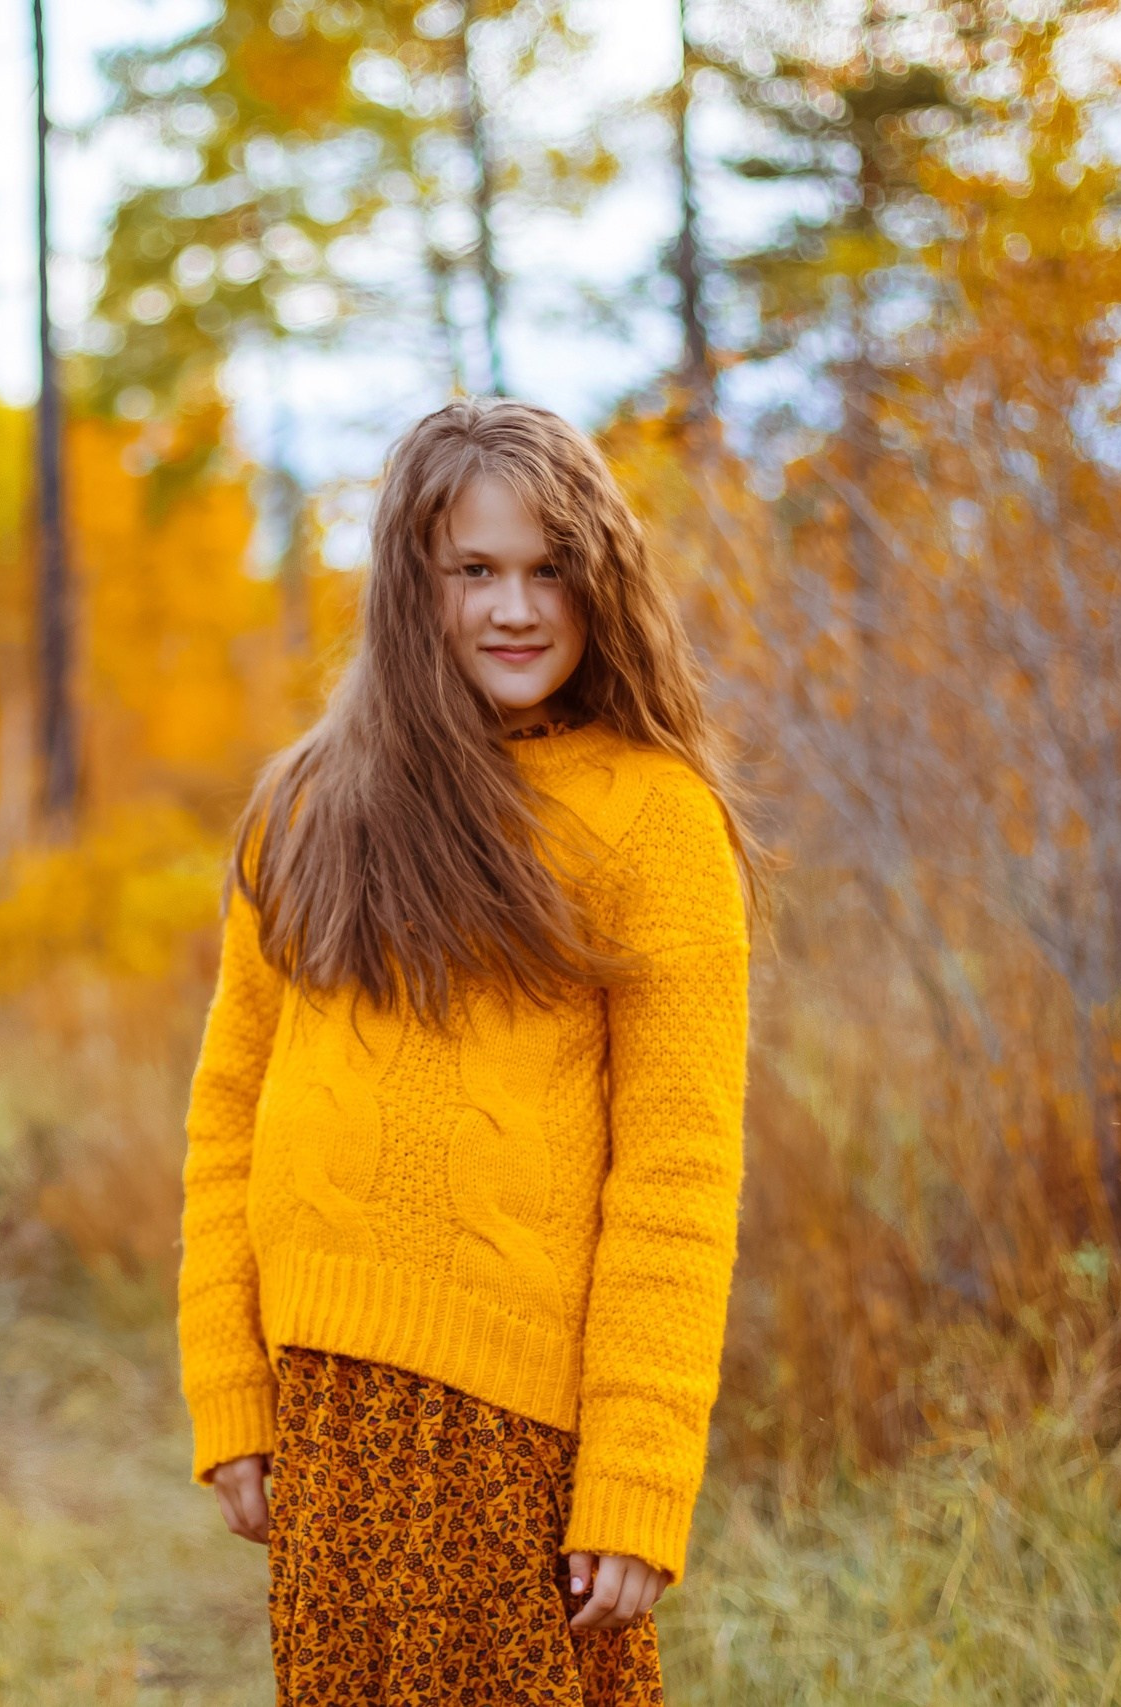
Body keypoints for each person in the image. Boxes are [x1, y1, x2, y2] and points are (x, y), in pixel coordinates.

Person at [177, 398, 758, 1702]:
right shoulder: (308, 807)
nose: (516, 608)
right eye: (475, 571)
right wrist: (229, 1386)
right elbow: (230, 1113)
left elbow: (677, 1178)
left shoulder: (655, 824)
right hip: (327, 1421)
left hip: (525, 1444)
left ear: (600, 581)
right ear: (410, 588)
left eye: (551, 567)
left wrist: (638, 1476)